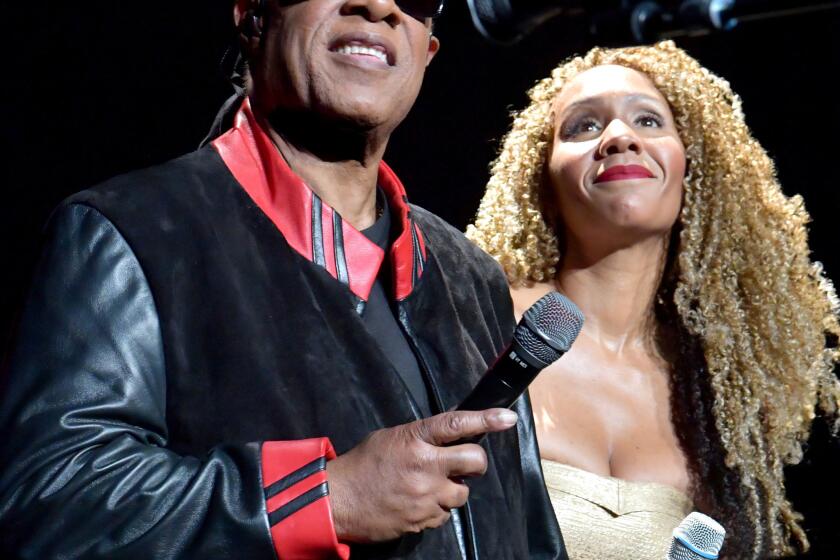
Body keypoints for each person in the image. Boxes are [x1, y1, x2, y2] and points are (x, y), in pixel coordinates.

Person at [0, 1, 565, 559]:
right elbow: (54, 502)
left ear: (427, 52)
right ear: (253, 16)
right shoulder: (136, 229)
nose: (379, 6)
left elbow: (530, 534)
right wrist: (325, 498)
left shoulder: (470, 275)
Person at [467, 40, 840, 560]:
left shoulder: (715, 399)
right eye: (584, 126)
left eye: (647, 122)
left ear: (692, 169)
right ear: (543, 180)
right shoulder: (480, 323)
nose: (619, 137)